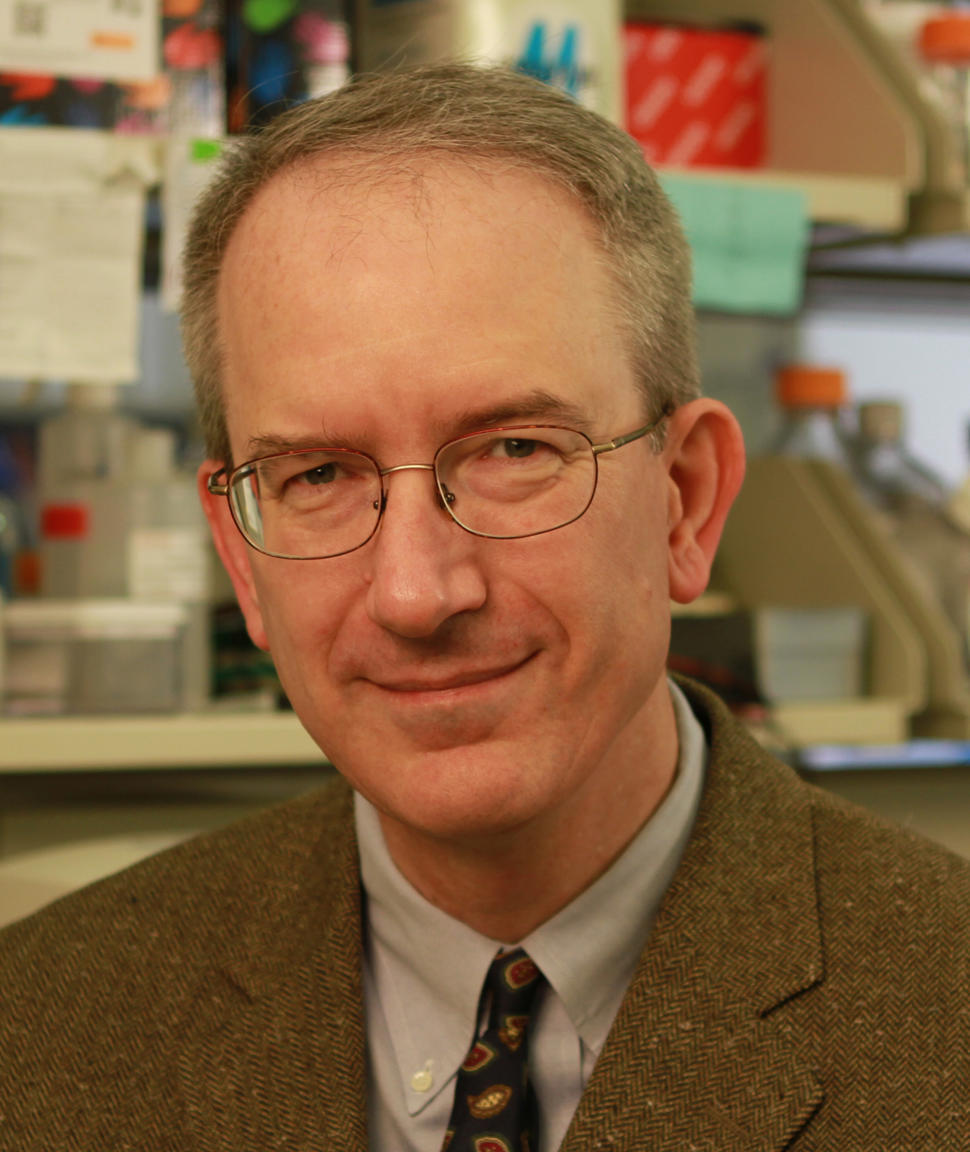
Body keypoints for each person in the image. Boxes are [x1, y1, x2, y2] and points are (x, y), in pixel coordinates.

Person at [2, 63, 968, 1152]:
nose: (417, 592)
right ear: (239, 552)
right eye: (316, 476)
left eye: (515, 450)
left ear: (685, 502)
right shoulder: (40, 1030)